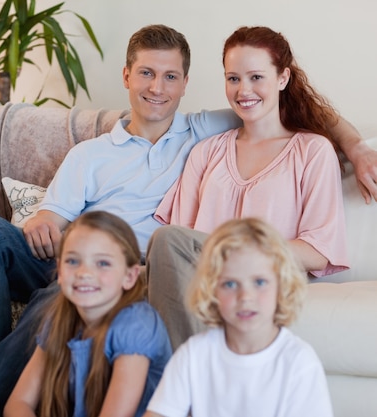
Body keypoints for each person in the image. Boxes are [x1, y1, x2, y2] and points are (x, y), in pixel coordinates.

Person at [0, 24, 377, 417]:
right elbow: (63, 216)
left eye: (170, 76)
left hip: (143, 264)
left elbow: (305, 113)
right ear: (127, 76)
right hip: (79, 251)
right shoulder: (114, 152)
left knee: (66, 294)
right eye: (146, 73)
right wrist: (44, 216)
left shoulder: (209, 131)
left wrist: (355, 146)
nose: (157, 87)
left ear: (183, 84)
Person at [148, 25, 351, 351]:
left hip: (263, 277)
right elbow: (180, 241)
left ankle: (183, 382)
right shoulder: (206, 151)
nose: (243, 90)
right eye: (233, 78)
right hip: (204, 278)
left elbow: (317, 252)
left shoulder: (312, 150)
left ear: (282, 78)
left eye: (256, 77)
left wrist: (242, 251)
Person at [144, 218, 334, 417]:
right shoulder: (193, 355)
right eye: (230, 284)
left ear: (282, 287)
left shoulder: (298, 362)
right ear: (211, 291)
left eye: (259, 282)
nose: (245, 297)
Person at [4, 211, 171, 417]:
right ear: (60, 272)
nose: (84, 273)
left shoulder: (136, 324)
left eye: (102, 263)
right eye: (73, 261)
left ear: (129, 276)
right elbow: (18, 403)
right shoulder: (60, 319)